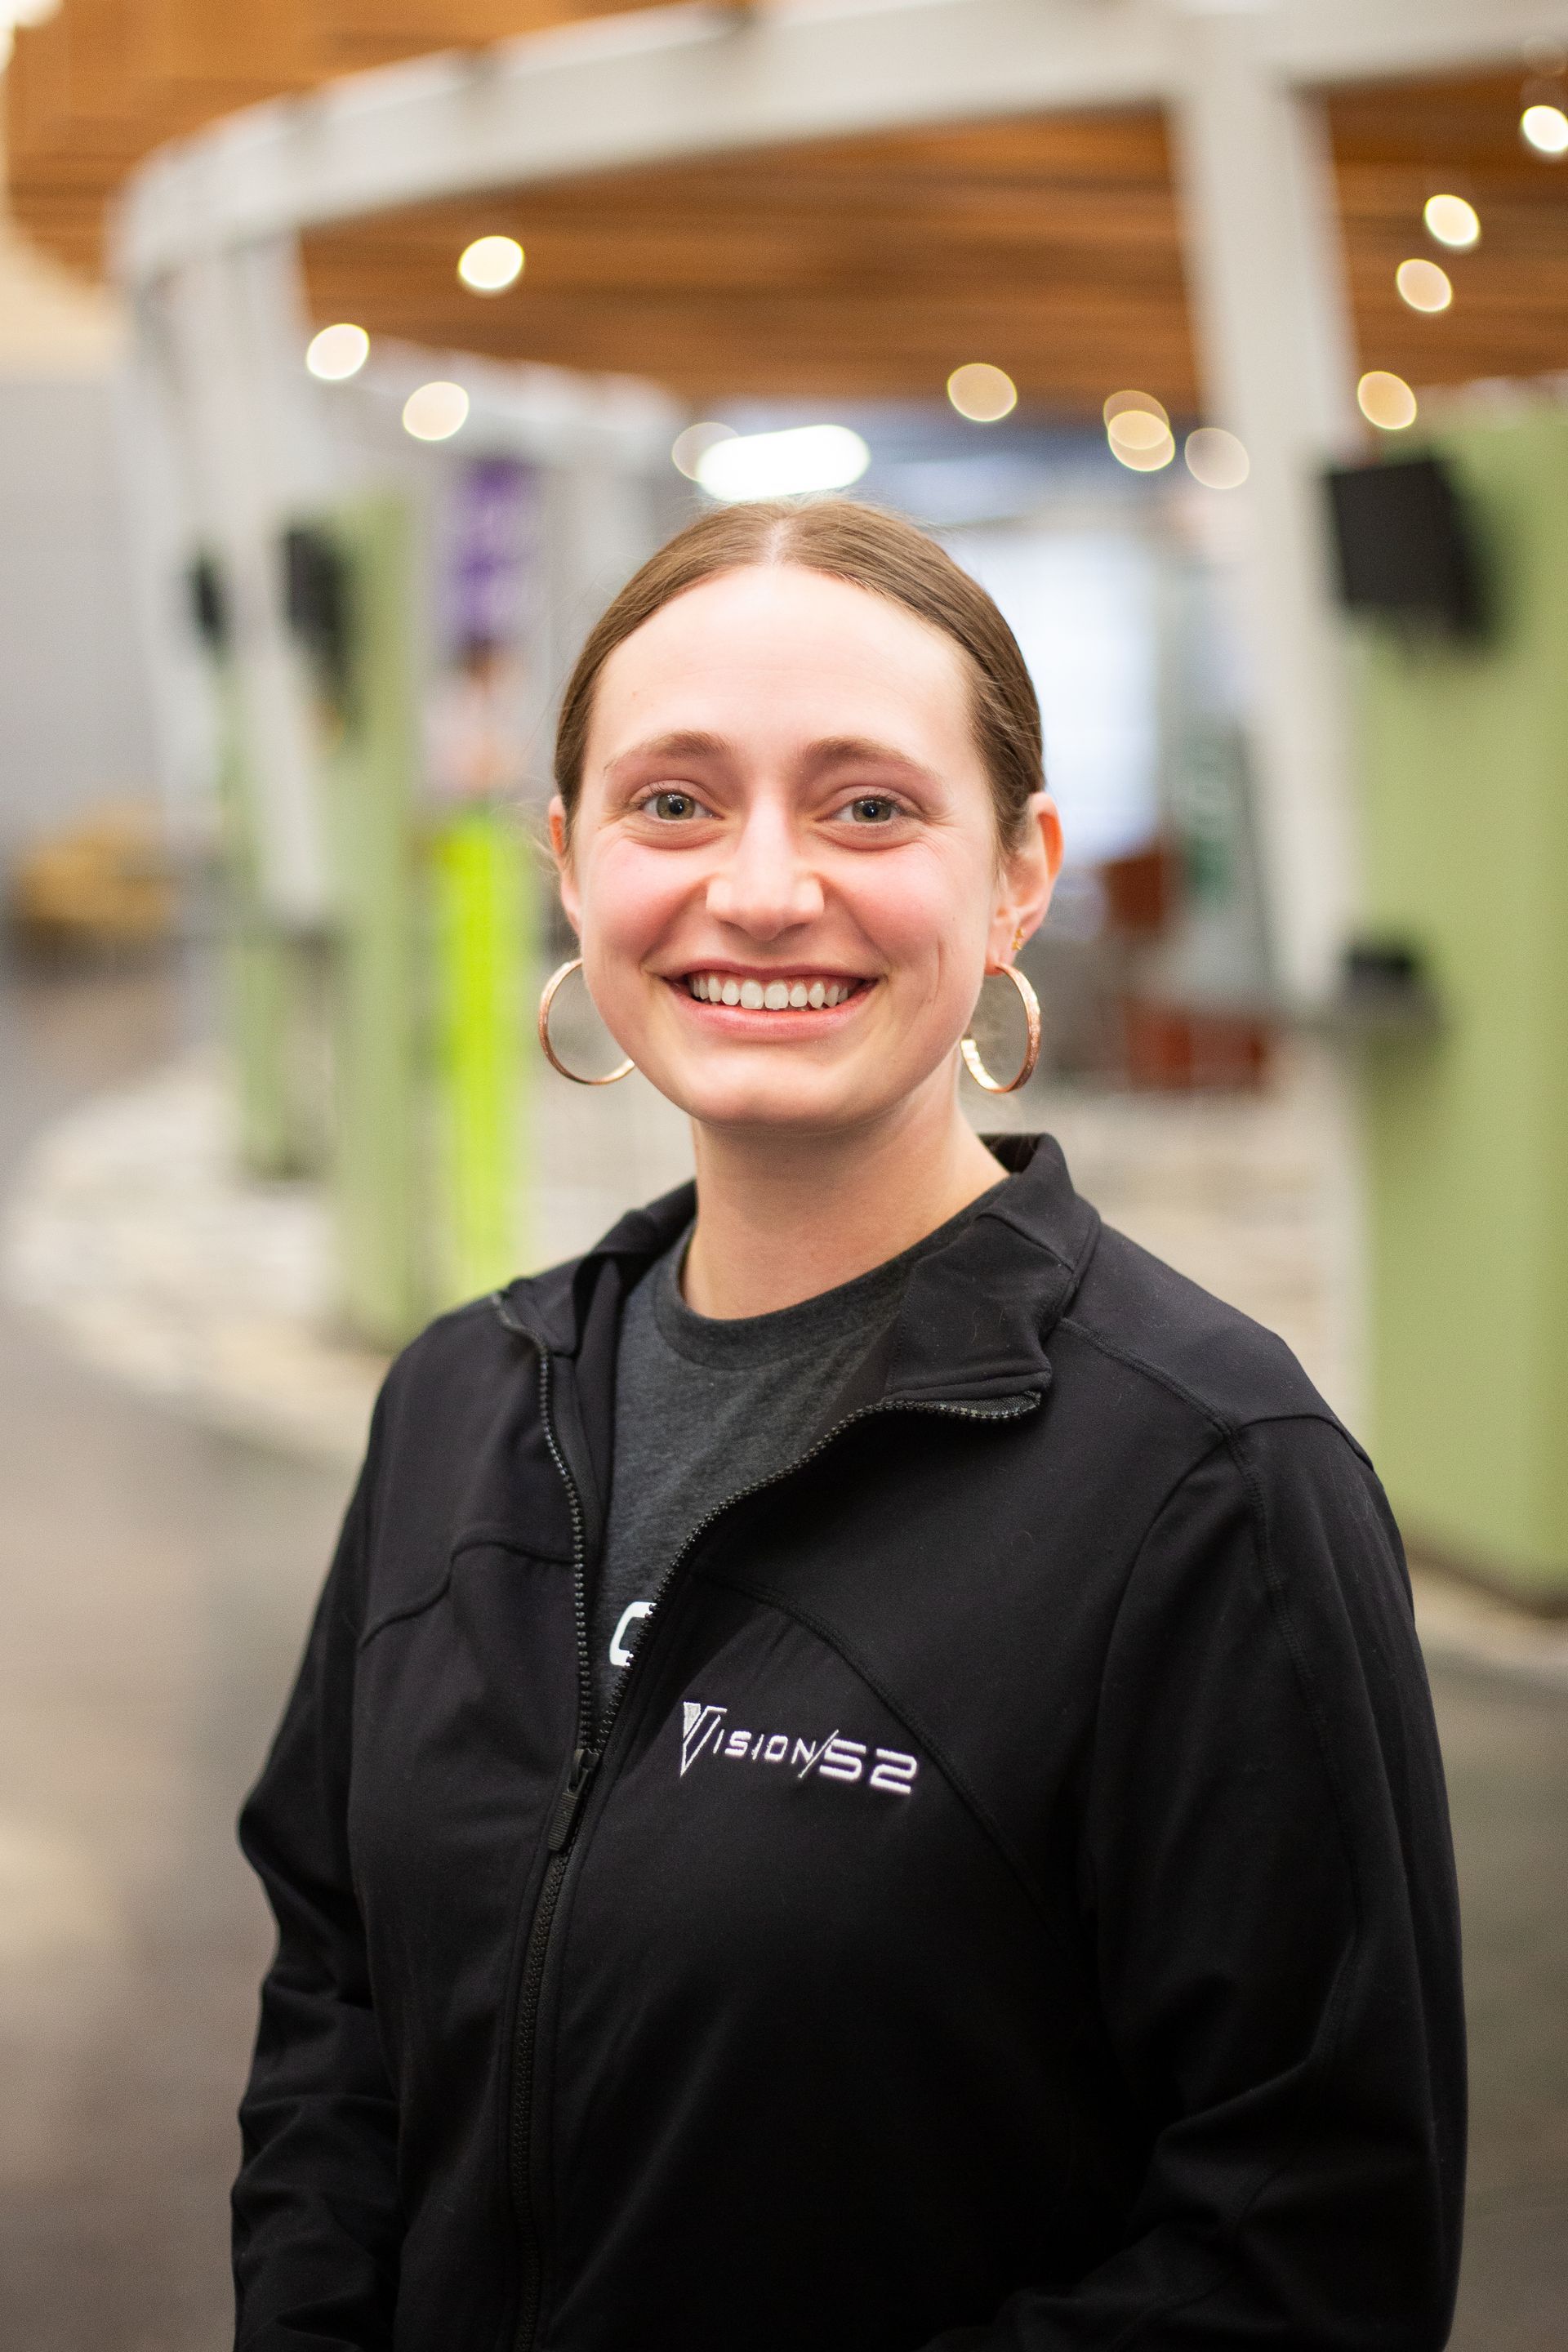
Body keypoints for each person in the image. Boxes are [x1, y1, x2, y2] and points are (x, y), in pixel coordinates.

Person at [232, 499, 1465, 2352]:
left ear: (1020, 874)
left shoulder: (1208, 1483)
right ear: (572, 859)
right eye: (675, 802)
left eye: (868, 806)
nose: (760, 887)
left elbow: (1305, 2255)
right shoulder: (463, 1406)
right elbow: (337, 2009)